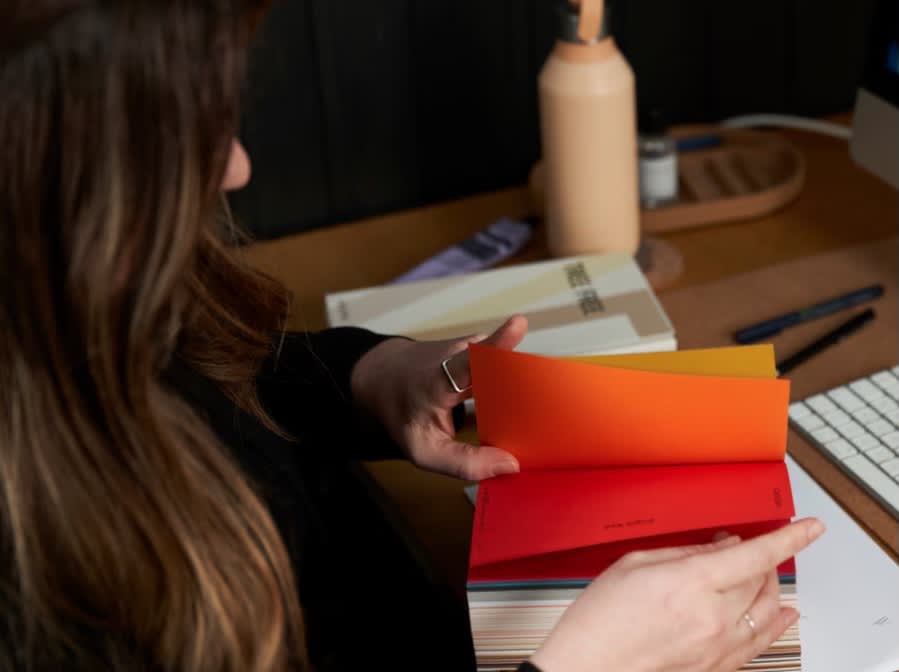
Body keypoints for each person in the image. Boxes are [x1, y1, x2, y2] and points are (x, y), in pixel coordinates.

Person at [0, 2, 824, 671]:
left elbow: (213, 388)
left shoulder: (76, 314)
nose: (236, 168)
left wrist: (369, 378)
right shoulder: (41, 590)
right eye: (173, 133)